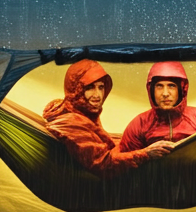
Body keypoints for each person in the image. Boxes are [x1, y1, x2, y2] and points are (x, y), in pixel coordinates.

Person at [42, 59, 173, 180]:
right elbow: (103, 164)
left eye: (101, 87)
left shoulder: (81, 113)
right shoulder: (70, 123)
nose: (97, 95)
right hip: (91, 189)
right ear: (76, 90)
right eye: (90, 87)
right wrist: (146, 154)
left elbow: (99, 143)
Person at [117, 61, 196, 154]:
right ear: (151, 90)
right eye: (159, 86)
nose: (165, 93)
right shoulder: (139, 124)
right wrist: (145, 154)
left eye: (171, 86)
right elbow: (125, 164)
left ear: (181, 90)